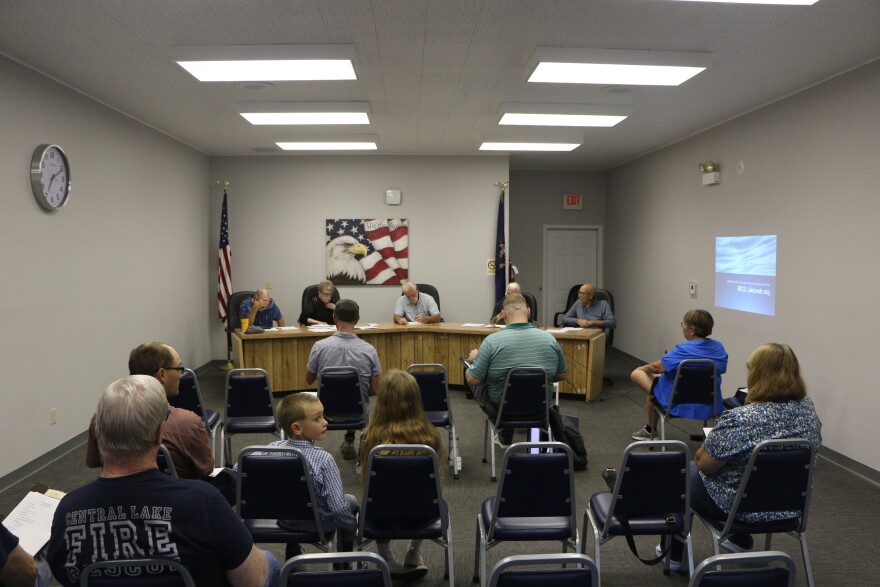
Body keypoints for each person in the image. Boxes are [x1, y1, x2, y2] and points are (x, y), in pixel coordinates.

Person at [48, 376, 279, 587]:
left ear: (99, 434)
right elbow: (252, 581)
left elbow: (64, 576)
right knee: (268, 562)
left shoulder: (68, 509)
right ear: (159, 433)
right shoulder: (203, 501)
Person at [664, 343, 822, 569]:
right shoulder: (808, 412)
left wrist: (714, 440)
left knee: (680, 472)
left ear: (757, 373)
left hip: (736, 509)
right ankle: (741, 541)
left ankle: (675, 557)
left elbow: (705, 465)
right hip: (790, 507)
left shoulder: (742, 418)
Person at [247, 393, 358, 563]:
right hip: (319, 526)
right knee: (349, 501)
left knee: (289, 492)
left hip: (284, 519)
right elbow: (336, 508)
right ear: (297, 428)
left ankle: (293, 547)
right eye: (317, 419)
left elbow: (239, 469)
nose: (325, 422)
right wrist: (353, 525)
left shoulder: (272, 448)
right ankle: (344, 559)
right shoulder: (324, 460)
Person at [86, 342, 214, 480]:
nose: (180, 374)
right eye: (178, 368)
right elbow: (206, 469)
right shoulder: (189, 424)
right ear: (162, 374)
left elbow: (93, 461)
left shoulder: (99, 419)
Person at [360, 370, 443, 580]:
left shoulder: (369, 437)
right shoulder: (431, 437)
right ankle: (414, 552)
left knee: (374, 493)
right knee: (433, 493)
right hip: (423, 513)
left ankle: (385, 556)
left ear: (382, 401)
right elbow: (436, 481)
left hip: (380, 514)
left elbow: (366, 482)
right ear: (416, 399)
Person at [465, 293, 569, 446]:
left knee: (473, 375)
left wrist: (477, 360)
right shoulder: (550, 339)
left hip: (503, 409)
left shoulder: (491, 342)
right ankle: (532, 437)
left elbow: (473, 379)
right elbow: (562, 374)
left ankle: (503, 431)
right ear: (528, 312)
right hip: (539, 407)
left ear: (504, 315)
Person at [630, 309, 728, 441]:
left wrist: (642, 368)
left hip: (675, 404)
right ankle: (649, 429)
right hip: (709, 405)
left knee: (639, 375)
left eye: (684, 325)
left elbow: (657, 368)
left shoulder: (682, 350)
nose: (683, 328)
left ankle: (650, 430)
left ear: (692, 330)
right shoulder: (718, 348)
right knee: (658, 384)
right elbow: (722, 369)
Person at [306, 299, 381, 459]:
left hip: (325, 412)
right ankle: (350, 439)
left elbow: (309, 380)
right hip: (358, 413)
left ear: (334, 318)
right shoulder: (369, 350)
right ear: (357, 319)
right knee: (357, 396)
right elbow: (375, 389)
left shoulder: (319, 347)